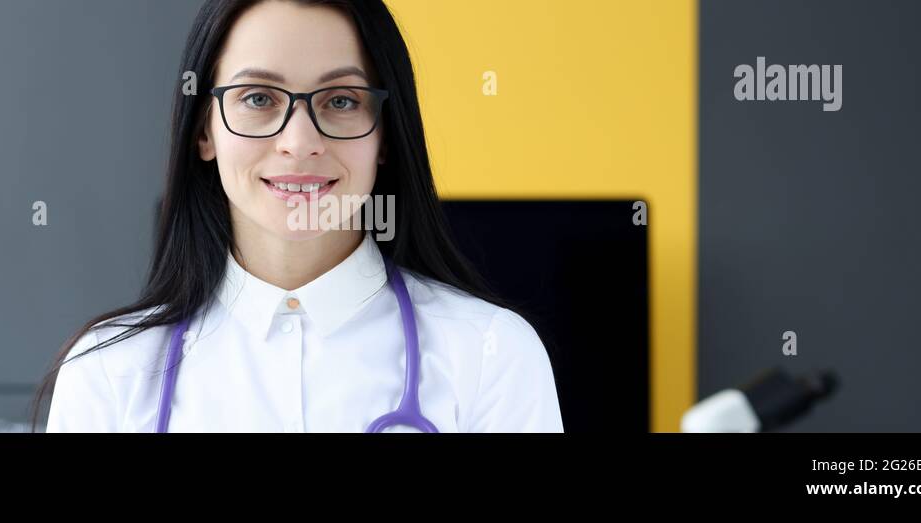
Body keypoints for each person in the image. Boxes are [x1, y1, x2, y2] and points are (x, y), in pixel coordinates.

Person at [38, 0, 562, 433]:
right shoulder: (107, 372)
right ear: (204, 132)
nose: (300, 141)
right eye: (258, 97)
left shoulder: (491, 354)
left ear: (384, 135)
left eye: (341, 101)